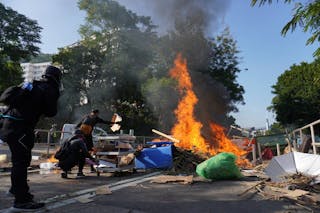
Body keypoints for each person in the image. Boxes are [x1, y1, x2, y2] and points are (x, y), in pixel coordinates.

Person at [0, 65, 61, 211]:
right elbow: (51, 112)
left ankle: (17, 190)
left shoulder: (32, 84)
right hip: (20, 128)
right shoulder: (49, 88)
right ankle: (21, 201)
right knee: (20, 162)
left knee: (20, 160)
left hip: (6, 125)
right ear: (57, 78)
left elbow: (7, 100)